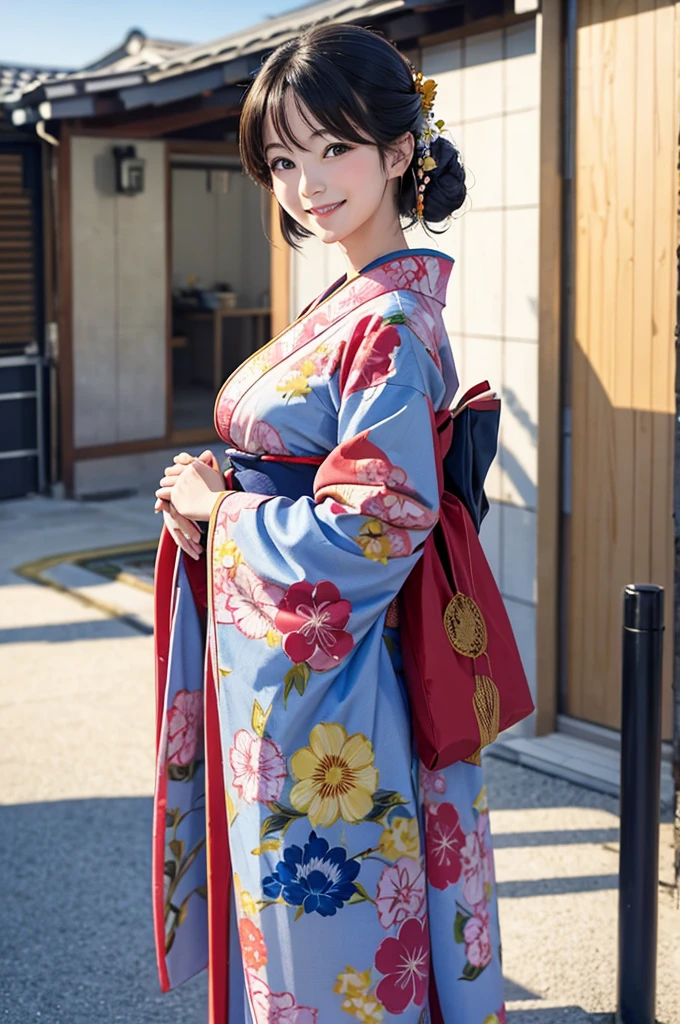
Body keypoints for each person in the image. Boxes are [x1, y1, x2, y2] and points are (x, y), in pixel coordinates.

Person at [152, 22, 505, 1024]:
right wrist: (220, 508)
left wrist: (224, 515)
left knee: (337, 929)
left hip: (343, 688)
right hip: (314, 664)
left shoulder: (389, 321)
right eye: (282, 157)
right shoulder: (351, 303)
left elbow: (381, 520)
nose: (306, 183)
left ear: (400, 152)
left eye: (335, 148)